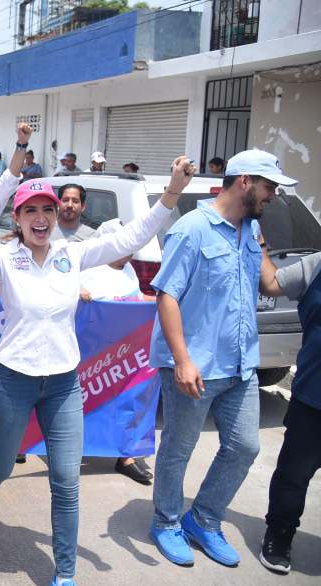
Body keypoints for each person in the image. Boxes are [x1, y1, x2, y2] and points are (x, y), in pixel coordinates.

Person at [0, 159, 194, 586]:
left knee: (66, 480)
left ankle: (65, 574)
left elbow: (131, 237)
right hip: (11, 382)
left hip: (64, 385)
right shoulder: (3, 257)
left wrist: (172, 192)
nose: (41, 218)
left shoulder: (71, 253)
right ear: (17, 218)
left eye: (47, 210)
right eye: (31, 210)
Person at [149, 148, 297, 569]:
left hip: (240, 364)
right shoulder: (192, 230)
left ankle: (203, 519)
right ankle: (166, 522)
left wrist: (305, 265)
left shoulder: (251, 230)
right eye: (269, 187)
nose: (273, 196)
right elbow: (167, 295)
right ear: (245, 181)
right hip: (195, 365)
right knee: (178, 449)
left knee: (244, 446)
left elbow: (270, 284)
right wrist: (182, 360)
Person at [257, 250, 321, 574]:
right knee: (293, 476)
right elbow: (271, 284)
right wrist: (258, 240)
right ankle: (279, 535)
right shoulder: (316, 264)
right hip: (313, 397)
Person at [77, 219, 153, 486]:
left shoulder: (129, 270)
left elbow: (135, 299)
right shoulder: (88, 270)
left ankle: (125, 457)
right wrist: (78, 293)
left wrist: (160, 302)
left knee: (128, 403)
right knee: (84, 404)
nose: (128, 251)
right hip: (93, 357)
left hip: (126, 355)